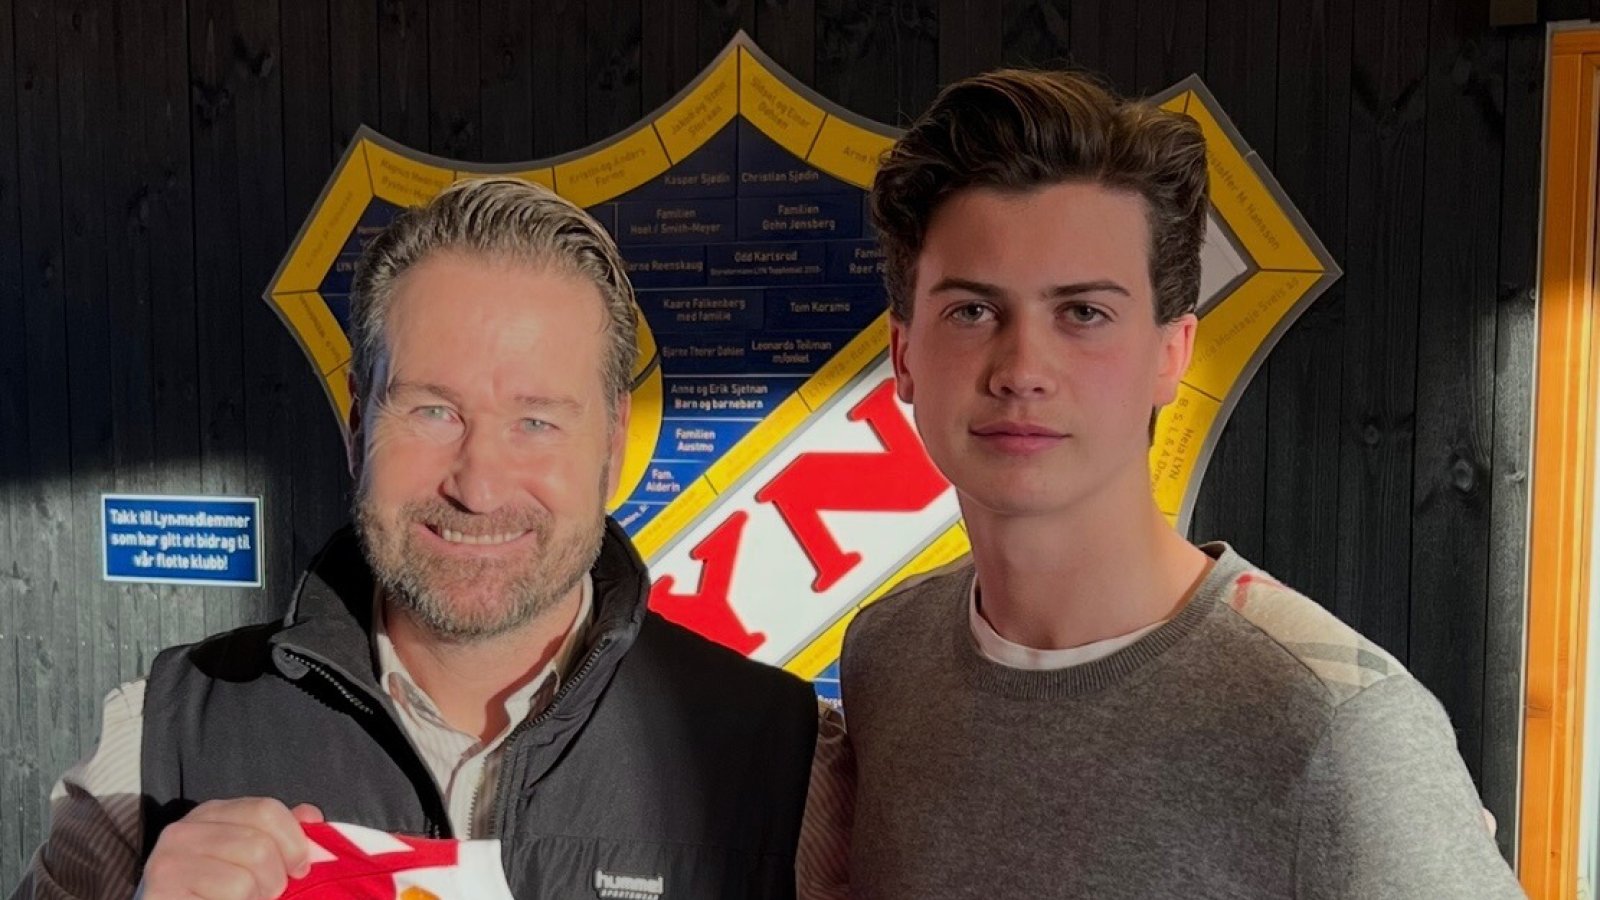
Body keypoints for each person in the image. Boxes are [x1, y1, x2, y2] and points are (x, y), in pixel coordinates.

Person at [796, 69, 1526, 899]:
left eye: (1083, 313)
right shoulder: (887, 654)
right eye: (972, 311)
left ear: (1171, 354)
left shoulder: (1342, 725)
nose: (1022, 369)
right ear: (904, 356)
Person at [13, 177, 818, 900]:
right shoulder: (156, 743)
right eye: (433, 411)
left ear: (611, 444)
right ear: (358, 426)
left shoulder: (790, 765)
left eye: (536, 421)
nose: (478, 485)